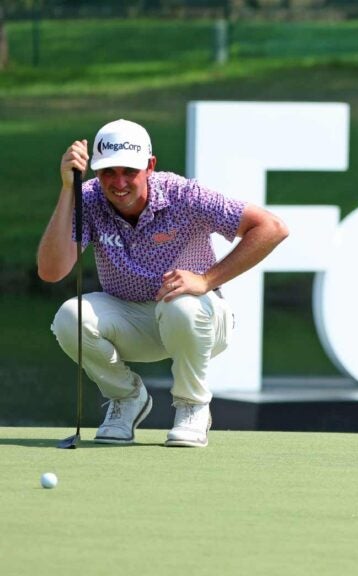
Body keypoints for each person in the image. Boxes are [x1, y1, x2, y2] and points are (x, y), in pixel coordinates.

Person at [37, 119, 289, 448]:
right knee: (70, 317)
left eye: (129, 171)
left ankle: (192, 406)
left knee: (181, 304)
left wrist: (206, 279)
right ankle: (126, 399)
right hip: (131, 321)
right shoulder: (89, 199)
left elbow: (271, 228)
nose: (119, 182)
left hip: (199, 320)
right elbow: (52, 271)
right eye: (108, 172)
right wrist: (68, 190)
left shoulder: (184, 195)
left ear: (150, 166)